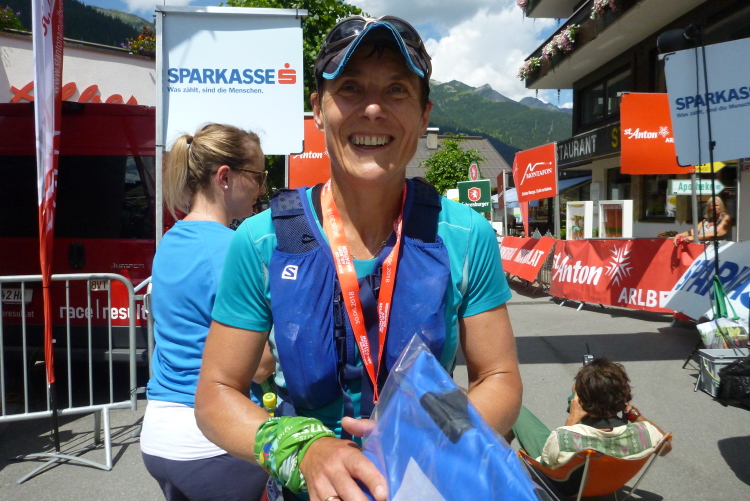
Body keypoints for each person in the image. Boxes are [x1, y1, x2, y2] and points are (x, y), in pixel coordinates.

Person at [194, 15, 522, 501]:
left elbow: (499, 378)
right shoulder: (262, 240)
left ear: (424, 114)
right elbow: (215, 394)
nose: (372, 108)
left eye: (396, 90)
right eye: (349, 88)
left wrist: (433, 439)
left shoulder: (464, 235)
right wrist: (304, 451)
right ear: (317, 109)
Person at [140, 123, 273, 501]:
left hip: (160, 433)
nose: (262, 189)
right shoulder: (232, 248)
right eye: (258, 176)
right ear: (225, 177)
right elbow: (261, 365)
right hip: (213, 441)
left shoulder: (171, 239)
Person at [510, 358, 671, 470]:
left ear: (583, 402)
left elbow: (549, 464)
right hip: (608, 481)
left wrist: (572, 418)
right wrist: (633, 414)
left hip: (566, 485)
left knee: (515, 410)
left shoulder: (564, 438)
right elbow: (666, 447)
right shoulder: (645, 433)